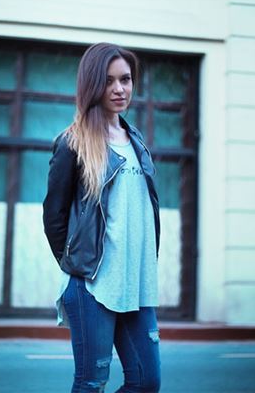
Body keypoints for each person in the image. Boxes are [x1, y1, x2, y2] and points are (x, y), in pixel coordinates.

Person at [43, 42, 161, 393]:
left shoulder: (136, 141)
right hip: (93, 286)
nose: (119, 88)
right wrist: (78, 266)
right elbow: (54, 215)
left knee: (147, 382)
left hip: (135, 285)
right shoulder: (73, 143)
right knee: (92, 383)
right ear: (92, 84)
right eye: (109, 81)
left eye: (125, 79)